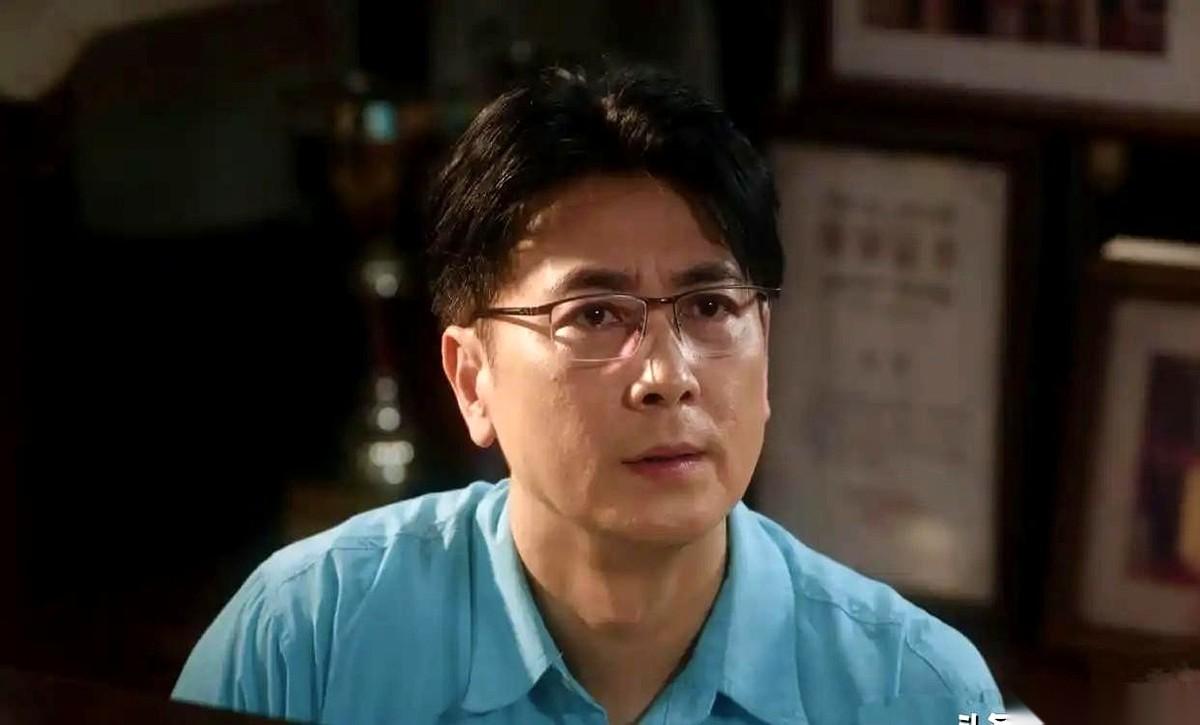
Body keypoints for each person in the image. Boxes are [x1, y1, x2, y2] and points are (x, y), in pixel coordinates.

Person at [171, 66, 1005, 724]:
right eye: (595, 315)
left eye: (710, 307)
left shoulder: (930, 689)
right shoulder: (304, 639)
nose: (667, 375)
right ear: (472, 378)